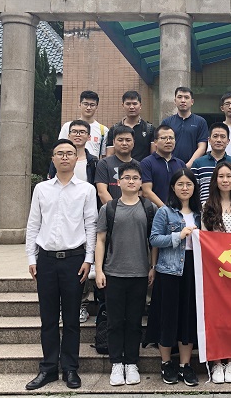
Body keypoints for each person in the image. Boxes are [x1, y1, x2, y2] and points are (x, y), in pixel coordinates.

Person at [25, 139, 97, 391]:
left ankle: (70, 368)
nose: (65, 157)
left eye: (69, 153)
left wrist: (89, 259)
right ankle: (47, 368)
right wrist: (31, 258)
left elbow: (91, 226)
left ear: (76, 158)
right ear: (53, 159)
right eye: (60, 153)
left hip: (74, 260)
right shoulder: (41, 189)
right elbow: (33, 224)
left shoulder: (87, 190)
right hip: (45, 260)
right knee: (48, 318)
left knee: (72, 318)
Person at [94, 161, 158, 387]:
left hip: (139, 273)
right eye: (127, 178)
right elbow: (100, 240)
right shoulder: (109, 208)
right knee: (114, 321)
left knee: (134, 321)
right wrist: (99, 270)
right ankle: (116, 363)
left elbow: (153, 241)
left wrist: (153, 267)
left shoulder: (149, 208)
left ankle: (131, 362)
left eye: (135, 178)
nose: (131, 181)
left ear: (141, 182)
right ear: (118, 182)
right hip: (113, 273)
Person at [146, 169, 201, 387]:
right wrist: (178, 235)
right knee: (167, 317)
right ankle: (166, 362)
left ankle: (185, 365)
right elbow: (154, 239)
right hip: (169, 270)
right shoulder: (165, 212)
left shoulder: (201, 213)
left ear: (194, 187)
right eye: (180, 184)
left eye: (189, 184)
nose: (185, 188)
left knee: (188, 316)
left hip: (194, 270)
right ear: (173, 188)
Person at [201, 161, 231, 384]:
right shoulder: (207, 206)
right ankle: (217, 361)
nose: (225, 180)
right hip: (215, 271)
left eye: (229, 176)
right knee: (216, 316)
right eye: (221, 176)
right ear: (215, 180)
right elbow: (205, 238)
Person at [49, 119, 99, 324]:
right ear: (68, 135)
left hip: (84, 215)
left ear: (88, 136)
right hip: (61, 217)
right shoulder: (58, 159)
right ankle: (63, 307)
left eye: (82, 132)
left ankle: (82, 304)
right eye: (74, 131)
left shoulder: (93, 161)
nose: (78, 135)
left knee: (84, 263)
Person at [192, 123, 231, 204]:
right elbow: (193, 190)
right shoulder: (198, 163)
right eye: (215, 136)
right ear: (209, 140)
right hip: (204, 209)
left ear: (228, 141)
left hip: (230, 209)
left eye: (223, 137)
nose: (219, 140)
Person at [160, 87, 208, 167]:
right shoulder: (167, 122)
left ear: (192, 102)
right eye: (179, 97)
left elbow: (202, 147)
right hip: (170, 166)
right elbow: (161, 145)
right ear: (175, 101)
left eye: (186, 97)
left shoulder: (200, 122)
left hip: (193, 167)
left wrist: (188, 165)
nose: (183, 100)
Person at [140, 125, 186, 208]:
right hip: (155, 211)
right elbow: (146, 191)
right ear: (155, 142)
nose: (168, 141)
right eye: (164, 138)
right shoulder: (147, 163)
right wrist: (165, 209)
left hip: (178, 210)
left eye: (171, 138)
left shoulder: (181, 164)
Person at [106, 91, 155, 162]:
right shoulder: (114, 129)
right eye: (128, 104)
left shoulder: (149, 129)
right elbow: (109, 155)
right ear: (123, 105)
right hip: (120, 168)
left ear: (140, 105)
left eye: (135, 104)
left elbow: (153, 156)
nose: (131, 107)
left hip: (142, 168)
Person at [59, 90, 107, 159]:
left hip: (92, 165)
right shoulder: (68, 126)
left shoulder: (103, 130)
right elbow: (60, 148)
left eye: (92, 105)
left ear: (96, 107)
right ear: (79, 105)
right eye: (85, 104)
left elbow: (104, 156)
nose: (88, 108)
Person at [95, 125, 135, 205]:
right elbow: (102, 192)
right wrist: (117, 210)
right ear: (113, 142)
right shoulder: (104, 163)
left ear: (133, 142)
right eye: (120, 140)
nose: (124, 143)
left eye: (128, 140)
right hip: (110, 210)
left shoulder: (138, 165)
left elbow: (140, 191)